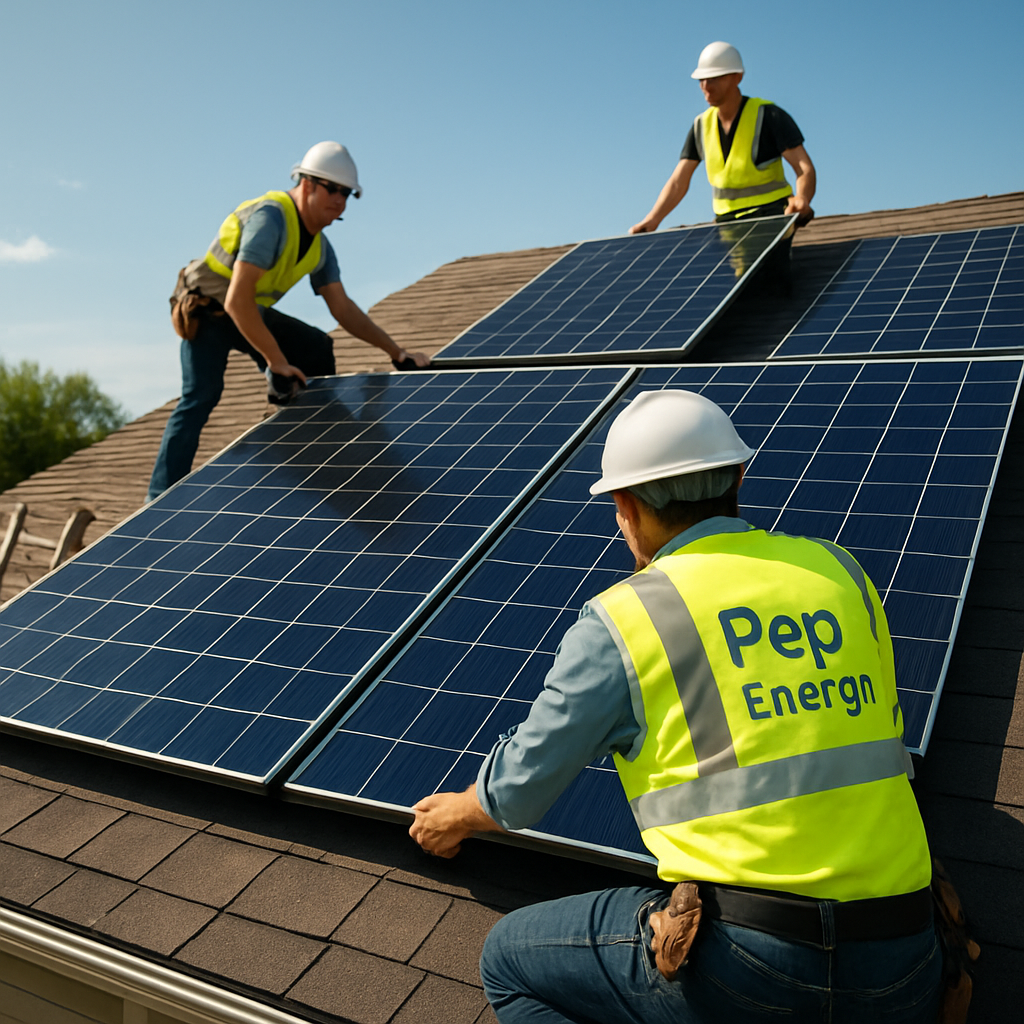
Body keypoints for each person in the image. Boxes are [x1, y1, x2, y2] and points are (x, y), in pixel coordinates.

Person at [410, 389, 942, 1023]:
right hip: (907, 958)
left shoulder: (627, 618)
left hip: (752, 962)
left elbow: (524, 786)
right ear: (738, 478)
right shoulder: (841, 571)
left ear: (626, 506)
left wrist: (460, 815)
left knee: (507, 960)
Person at [147, 141, 430, 502]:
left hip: (248, 311)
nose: (340, 201)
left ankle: (304, 443)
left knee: (315, 347)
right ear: (308, 184)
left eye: (347, 194)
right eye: (334, 190)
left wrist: (396, 351)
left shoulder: (319, 246)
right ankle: (159, 497)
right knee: (201, 396)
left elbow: (343, 309)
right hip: (207, 308)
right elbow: (236, 299)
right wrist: (276, 362)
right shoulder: (271, 219)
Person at [630, 42, 816, 234]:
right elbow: (679, 182)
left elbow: (804, 167)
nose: (706, 86)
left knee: (766, 265)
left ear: (738, 77)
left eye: (714, 78)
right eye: (702, 79)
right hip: (726, 223)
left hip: (771, 217)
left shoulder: (769, 116)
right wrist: (653, 219)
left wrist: (802, 198)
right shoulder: (701, 126)